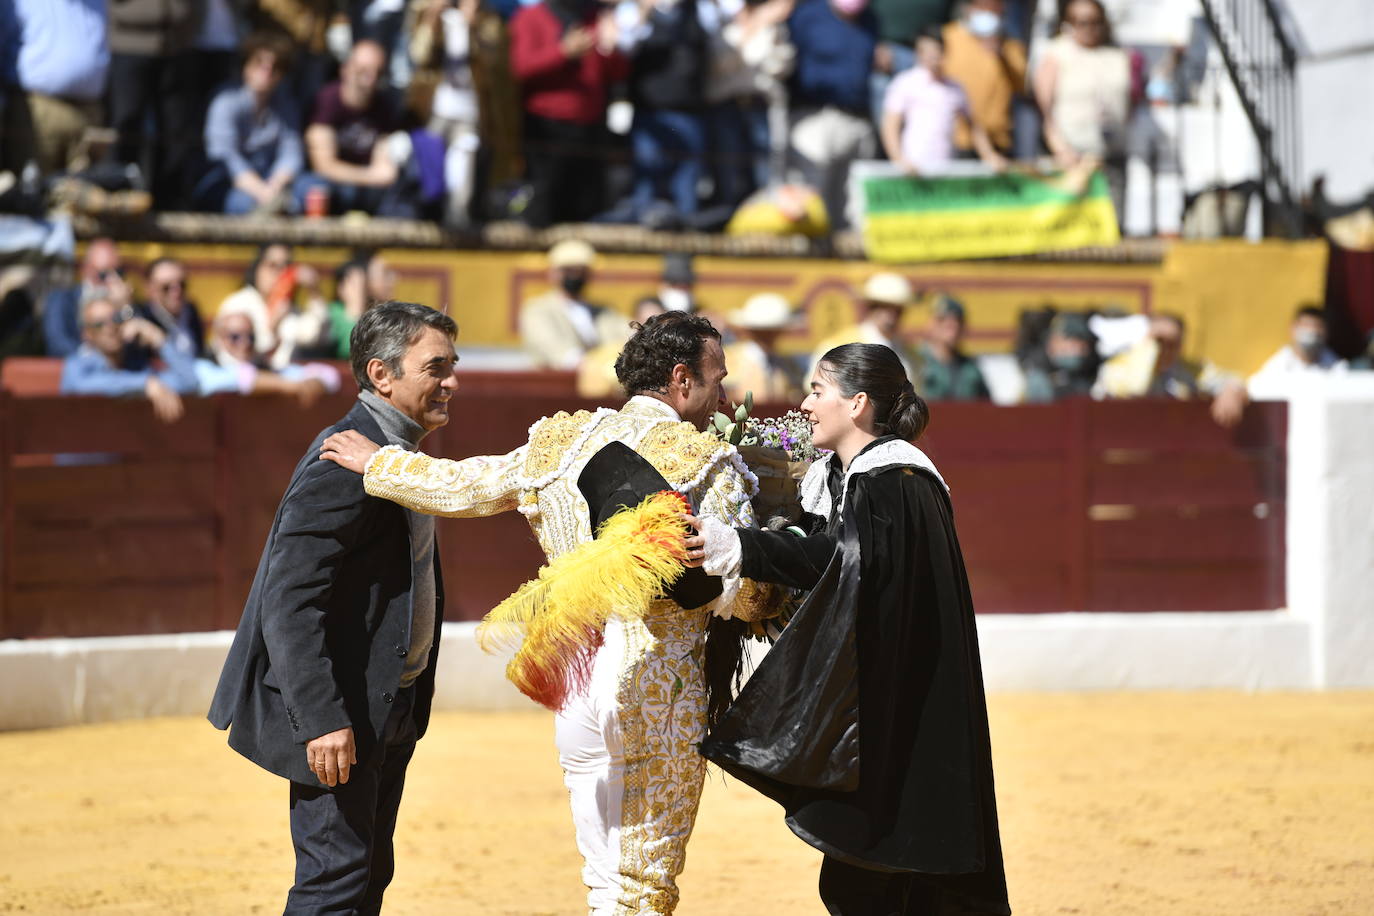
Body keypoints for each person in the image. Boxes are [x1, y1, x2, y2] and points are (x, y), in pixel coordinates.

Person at [318, 311, 773, 914]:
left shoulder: (563, 442)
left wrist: (381, 465)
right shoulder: (706, 461)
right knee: (642, 887)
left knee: (603, 879)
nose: (722, 396)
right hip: (656, 690)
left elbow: (465, 485)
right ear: (682, 380)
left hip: (577, 683)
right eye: (717, 379)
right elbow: (738, 592)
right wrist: (775, 588)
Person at [684, 342, 1010, 916]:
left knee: (882, 880)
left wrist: (742, 546)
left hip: (898, 710)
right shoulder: (856, 477)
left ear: (857, 403)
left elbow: (841, 561)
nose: (806, 404)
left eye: (817, 390)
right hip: (881, 702)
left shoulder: (896, 480)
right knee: (867, 878)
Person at [209, 302, 457, 913]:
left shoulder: (395, 455)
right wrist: (320, 716)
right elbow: (289, 599)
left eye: (453, 366)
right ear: (382, 375)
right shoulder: (346, 460)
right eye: (437, 367)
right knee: (335, 884)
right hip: (343, 712)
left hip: (386, 700)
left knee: (365, 874)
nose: (453, 382)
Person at [509, 0, 629, 227]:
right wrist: (563, 51)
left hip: (590, 128)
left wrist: (611, 49)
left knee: (587, 209)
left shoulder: (596, 18)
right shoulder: (530, 17)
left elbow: (617, 74)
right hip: (546, 128)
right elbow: (519, 68)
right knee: (544, 208)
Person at [1033, 0, 1133, 219]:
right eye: (1082, 22)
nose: (1089, 28)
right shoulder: (1057, 52)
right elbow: (1043, 108)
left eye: (1095, 22)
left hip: (1110, 153)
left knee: (1112, 223)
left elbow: (1129, 102)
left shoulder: (1116, 55)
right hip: (1072, 157)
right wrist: (1059, 147)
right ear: (1068, 24)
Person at [785, 0, 878, 230]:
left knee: (851, 198)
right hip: (816, 114)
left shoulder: (870, 18)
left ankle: (844, 249)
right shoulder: (808, 15)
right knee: (813, 192)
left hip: (857, 116)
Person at [301, 39, 418, 218]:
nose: (370, 78)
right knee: (314, 190)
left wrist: (375, 176)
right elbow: (323, 165)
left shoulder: (384, 106)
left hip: (367, 189)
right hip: (332, 185)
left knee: (402, 195)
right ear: (346, 69)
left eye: (377, 72)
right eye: (363, 70)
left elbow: (386, 168)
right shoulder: (326, 101)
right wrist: (370, 176)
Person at [106, 0, 203, 208]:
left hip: (178, 43)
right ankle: (119, 199)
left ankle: (169, 204)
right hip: (129, 43)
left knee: (175, 130)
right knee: (127, 125)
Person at [0, 0, 110, 178]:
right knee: (34, 191)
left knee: (86, 194)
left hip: (89, 110)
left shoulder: (96, 5)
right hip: (37, 107)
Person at [199, 32, 305, 215]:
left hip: (271, 181)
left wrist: (275, 184)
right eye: (259, 64)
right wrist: (262, 191)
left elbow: (292, 153)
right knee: (245, 204)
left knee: (312, 189)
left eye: (275, 67)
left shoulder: (286, 105)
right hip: (229, 182)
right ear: (245, 66)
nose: (267, 71)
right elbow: (225, 158)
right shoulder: (225, 101)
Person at [880, 27, 1007, 175]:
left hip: (946, 168)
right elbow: (890, 125)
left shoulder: (955, 88)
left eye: (936, 50)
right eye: (926, 51)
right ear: (918, 53)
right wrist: (899, 159)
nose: (932, 56)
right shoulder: (905, 83)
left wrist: (989, 155)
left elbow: (974, 126)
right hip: (914, 168)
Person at [59, 289, 199, 423]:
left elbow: (189, 381)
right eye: (99, 324)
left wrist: (159, 340)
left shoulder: (138, 366)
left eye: (116, 319)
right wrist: (143, 383)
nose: (110, 327)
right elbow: (82, 386)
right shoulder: (76, 366)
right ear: (86, 333)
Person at [1096, 312, 1248, 427]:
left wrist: (1232, 391)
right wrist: (1149, 353)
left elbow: (1232, 380)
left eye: (1172, 343)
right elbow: (1135, 388)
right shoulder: (1117, 368)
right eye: (1159, 341)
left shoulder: (1190, 370)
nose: (1165, 349)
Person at [217, 243, 333, 368]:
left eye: (286, 268)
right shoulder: (238, 304)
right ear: (257, 268)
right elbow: (229, 358)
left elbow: (318, 338)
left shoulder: (290, 308)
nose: (281, 273)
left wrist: (314, 292)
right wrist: (271, 328)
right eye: (273, 266)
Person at [518, 239, 629, 368]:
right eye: (569, 271)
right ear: (553, 273)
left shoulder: (602, 311)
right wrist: (595, 365)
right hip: (555, 383)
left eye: (580, 271)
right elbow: (556, 351)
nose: (575, 276)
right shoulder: (537, 309)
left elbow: (627, 333)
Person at [942, 0, 1027, 161]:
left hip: (1000, 142)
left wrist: (1001, 53)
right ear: (968, 7)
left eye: (994, 6)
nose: (988, 11)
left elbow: (1022, 86)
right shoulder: (948, 37)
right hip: (958, 141)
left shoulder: (1011, 46)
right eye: (982, 6)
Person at [809, 271, 922, 380]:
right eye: (884, 307)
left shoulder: (911, 355)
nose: (891, 315)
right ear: (870, 307)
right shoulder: (838, 347)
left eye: (898, 309)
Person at [40, 237, 123, 357]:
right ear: (87, 269)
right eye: (104, 274)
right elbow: (57, 342)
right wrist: (93, 358)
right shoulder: (61, 299)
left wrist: (125, 306)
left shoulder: (124, 304)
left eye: (119, 273)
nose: (112, 280)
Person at [723, 291, 800, 403]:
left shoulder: (787, 363)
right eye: (762, 331)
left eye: (773, 330)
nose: (768, 335)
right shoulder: (730, 359)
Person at [918, 293, 990, 400]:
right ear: (930, 324)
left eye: (957, 321)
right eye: (942, 320)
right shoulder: (916, 362)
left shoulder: (970, 368)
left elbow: (987, 406)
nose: (952, 326)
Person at [134, 256, 205, 359]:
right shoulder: (141, 319)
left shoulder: (191, 311)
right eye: (166, 287)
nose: (176, 292)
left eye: (182, 285)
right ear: (150, 289)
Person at [1022, 311, 1098, 402]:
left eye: (1079, 343)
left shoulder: (1093, 368)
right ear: (1051, 341)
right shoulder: (1036, 369)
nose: (1075, 348)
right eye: (1068, 341)